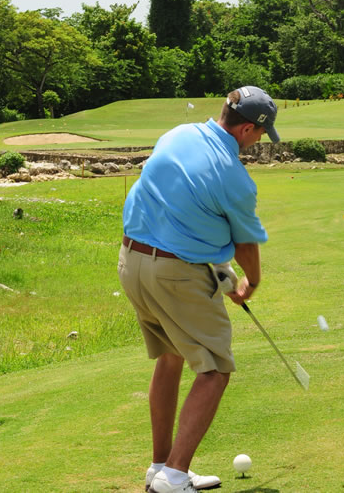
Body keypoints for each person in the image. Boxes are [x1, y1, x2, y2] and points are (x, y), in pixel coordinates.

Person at [118, 86, 279, 493]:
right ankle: (173, 476)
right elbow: (246, 243)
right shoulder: (234, 175)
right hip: (174, 274)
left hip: (131, 262)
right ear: (246, 129)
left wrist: (215, 262)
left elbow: (179, 204)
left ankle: (161, 467)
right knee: (215, 369)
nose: (260, 141)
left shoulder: (178, 134)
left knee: (171, 356)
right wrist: (250, 282)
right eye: (261, 134)